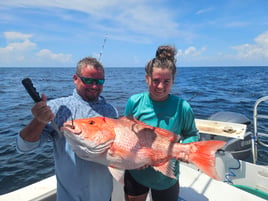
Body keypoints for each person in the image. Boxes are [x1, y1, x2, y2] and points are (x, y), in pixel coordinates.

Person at [17, 57, 118, 201]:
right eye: (88, 80)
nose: (94, 86)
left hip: (104, 196)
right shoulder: (57, 108)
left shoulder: (111, 111)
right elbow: (23, 147)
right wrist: (39, 121)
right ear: (75, 78)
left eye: (99, 81)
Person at [123, 45, 199, 201]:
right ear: (147, 78)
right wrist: (133, 157)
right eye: (156, 80)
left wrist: (186, 150)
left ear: (173, 81)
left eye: (166, 81)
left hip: (166, 178)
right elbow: (126, 132)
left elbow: (191, 134)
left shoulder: (182, 107)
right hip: (136, 173)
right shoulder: (134, 102)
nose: (160, 86)